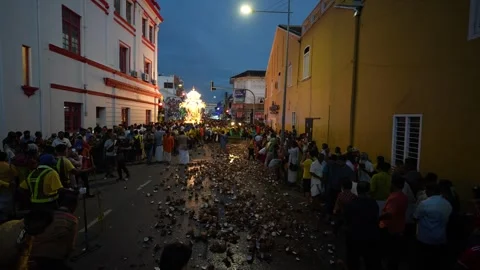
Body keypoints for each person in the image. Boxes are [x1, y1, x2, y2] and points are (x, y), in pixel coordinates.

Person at [30, 190, 79, 269]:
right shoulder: (72, 220)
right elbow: (70, 246)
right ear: (73, 206)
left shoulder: (47, 215)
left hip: (32, 255)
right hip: (54, 258)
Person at [414, 182, 452, 270]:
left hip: (425, 238)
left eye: (426, 190)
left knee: (424, 262)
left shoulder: (424, 203)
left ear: (431, 191)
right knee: (436, 262)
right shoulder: (447, 204)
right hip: (440, 237)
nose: (425, 192)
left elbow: (415, 217)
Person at [344, 181, 381, 270]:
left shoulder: (351, 204)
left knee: (354, 262)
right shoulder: (373, 203)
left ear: (357, 190)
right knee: (370, 262)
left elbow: (347, 220)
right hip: (370, 237)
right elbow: (375, 219)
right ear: (368, 191)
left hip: (354, 237)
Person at [379, 176, 408, 270]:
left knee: (389, 253)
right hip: (399, 226)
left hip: (390, 228)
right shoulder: (403, 196)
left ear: (394, 184)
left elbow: (389, 214)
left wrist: (377, 218)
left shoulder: (394, 198)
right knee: (395, 253)